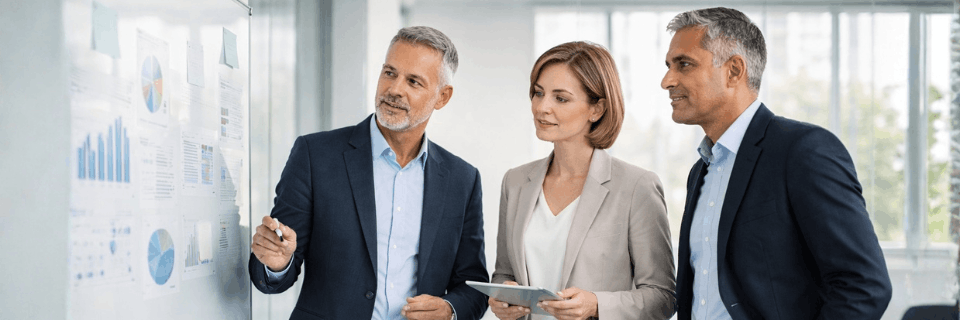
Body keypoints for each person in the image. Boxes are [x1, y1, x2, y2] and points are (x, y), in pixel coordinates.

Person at [661, 7, 893, 319]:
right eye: (668, 67)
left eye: (684, 65)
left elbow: (864, 285)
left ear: (733, 71)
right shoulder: (700, 170)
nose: (667, 80)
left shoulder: (802, 151)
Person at [248, 26, 489, 320]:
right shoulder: (315, 155)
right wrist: (277, 263)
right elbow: (278, 265)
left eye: (413, 81)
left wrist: (450, 309)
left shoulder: (462, 180)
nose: (394, 89)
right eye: (389, 72)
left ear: (442, 97)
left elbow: (474, 286)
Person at [489, 41, 676, 320]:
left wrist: (597, 305)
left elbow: (662, 296)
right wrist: (503, 298)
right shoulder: (515, 182)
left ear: (597, 109)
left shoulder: (637, 187)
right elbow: (505, 272)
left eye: (560, 98)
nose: (542, 107)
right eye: (538, 93)